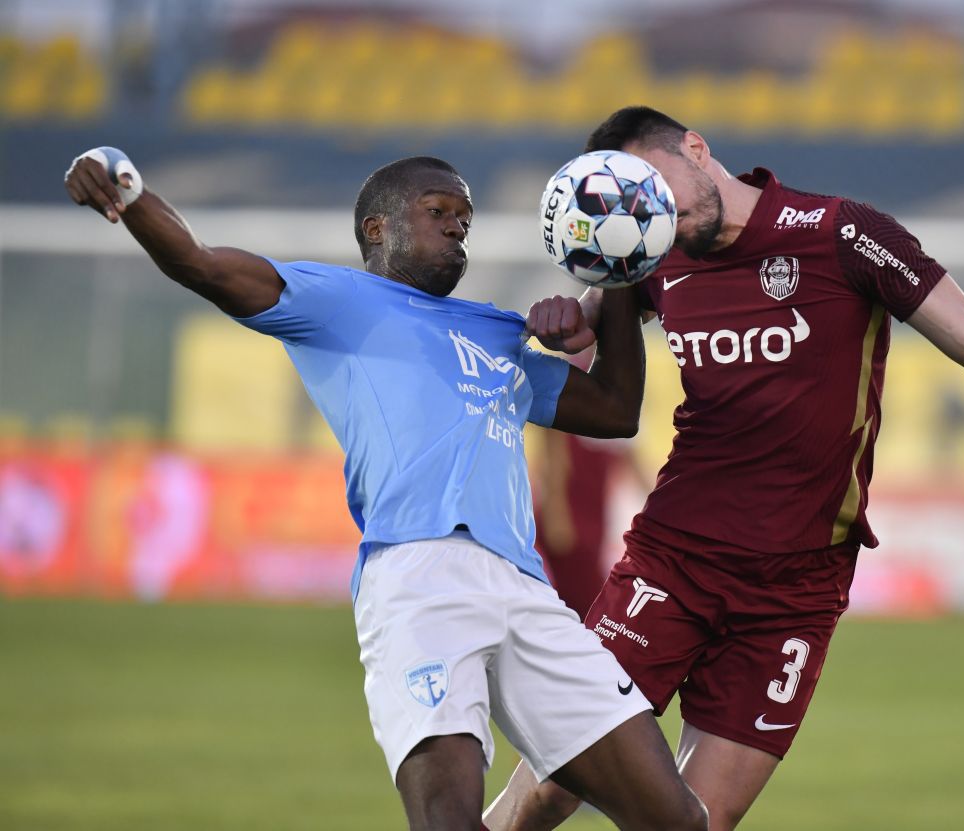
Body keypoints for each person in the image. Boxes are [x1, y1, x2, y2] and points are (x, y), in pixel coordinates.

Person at [485, 106, 964, 831]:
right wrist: (567, 321)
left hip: (796, 591)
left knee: (694, 821)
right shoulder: (648, 254)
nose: (650, 212)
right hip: (673, 562)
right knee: (553, 781)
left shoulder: (842, 235)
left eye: (655, 185)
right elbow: (586, 325)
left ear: (697, 149)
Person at [63, 147, 708, 831]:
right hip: (419, 578)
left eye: (466, 217)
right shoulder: (336, 301)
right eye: (440, 211)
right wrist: (127, 195)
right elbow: (199, 262)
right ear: (378, 228)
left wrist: (615, 276)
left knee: (677, 819)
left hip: (525, 587)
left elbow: (614, 409)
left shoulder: (495, 331)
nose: (459, 226)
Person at [531, 348, 652, 618]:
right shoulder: (575, 379)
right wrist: (556, 511)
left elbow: (633, 462)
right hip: (568, 515)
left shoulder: (622, 393)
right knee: (579, 606)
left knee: (584, 604)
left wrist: (665, 508)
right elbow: (555, 456)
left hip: (593, 517)